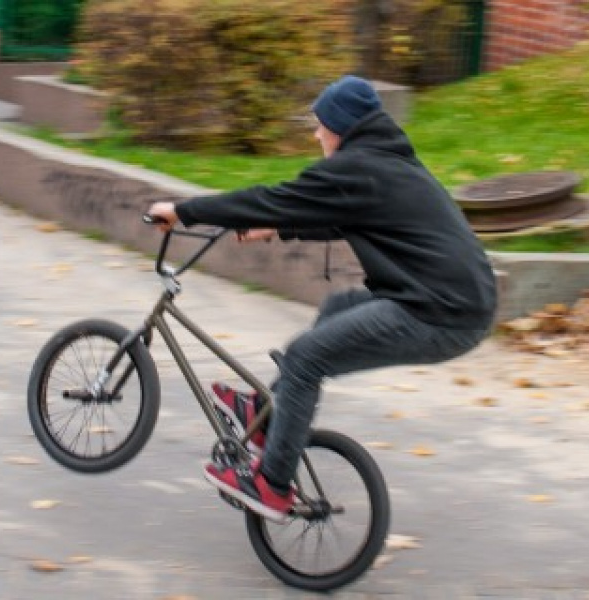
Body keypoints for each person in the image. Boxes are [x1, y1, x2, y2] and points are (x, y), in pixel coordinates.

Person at [147, 75, 497, 522]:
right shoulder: (386, 163)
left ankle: (272, 486)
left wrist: (183, 211)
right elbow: (345, 216)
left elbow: (273, 199)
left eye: (320, 125)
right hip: (454, 302)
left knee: (304, 358)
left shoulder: (357, 168)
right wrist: (278, 227)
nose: (316, 135)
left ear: (341, 127)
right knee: (337, 310)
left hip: (439, 314)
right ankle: (268, 417)